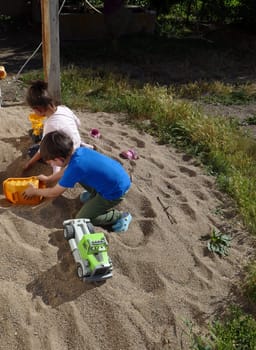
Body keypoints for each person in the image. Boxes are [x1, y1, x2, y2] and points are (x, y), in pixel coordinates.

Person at [23, 131, 132, 232]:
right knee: (79, 176)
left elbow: (54, 192)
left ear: (59, 159)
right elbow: (67, 171)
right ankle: (94, 195)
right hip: (115, 179)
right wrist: (49, 179)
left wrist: (34, 191)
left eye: (51, 163)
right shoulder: (79, 152)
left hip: (114, 191)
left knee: (82, 219)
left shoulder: (76, 168)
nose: (52, 165)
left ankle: (119, 216)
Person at [24, 80, 93, 173]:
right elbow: (78, 123)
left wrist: (29, 164)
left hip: (67, 155)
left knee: (32, 151)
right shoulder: (64, 108)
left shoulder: (50, 125)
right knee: (52, 136)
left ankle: (56, 171)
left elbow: (42, 150)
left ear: (38, 109)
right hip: (75, 141)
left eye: (33, 110)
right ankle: (82, 145)